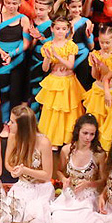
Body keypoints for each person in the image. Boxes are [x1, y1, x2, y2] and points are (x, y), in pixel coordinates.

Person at [34, 15, 86, 149]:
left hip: (68, 81)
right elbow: (45, 68)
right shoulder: (48, 45)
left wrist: (57, 56)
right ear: (52, 29)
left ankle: (68, 139)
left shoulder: (70, 45)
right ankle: (53, 139)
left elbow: (70, 65)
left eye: (63, 29)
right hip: (54, 80)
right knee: (54, 111)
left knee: (68, 111)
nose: (60, 31)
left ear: (68, 30)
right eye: (58, 28)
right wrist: (48, 58)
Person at [48, 114, 105, 223]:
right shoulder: (66, 150)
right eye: (85, 133)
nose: (88, 137)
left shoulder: (99, 154)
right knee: (58, 221)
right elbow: (59, 171)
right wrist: (64, 179)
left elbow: (103, 180)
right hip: (69, 194)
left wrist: (88, 184)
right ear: (78, 131)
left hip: (87, 197)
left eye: (92, 134)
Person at [2, 105, 54, 223]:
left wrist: (25, 170)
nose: (8, 124)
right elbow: (8, 162)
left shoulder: (44, 142)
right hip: (22, 185)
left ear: (22, 126)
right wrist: (13, 171)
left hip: (40, 188)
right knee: (7, 219)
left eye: (12, 122)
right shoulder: (13, 136)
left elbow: (47, 175)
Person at [0, 0, 34, 121]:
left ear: (19, 3)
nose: (11, 6)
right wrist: (2, 53)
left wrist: (11, 54)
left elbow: (26, 43)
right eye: (8, 3)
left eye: (14, 3)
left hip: (17, 59)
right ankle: (5, 122)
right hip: (1, 59)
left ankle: (14, 122)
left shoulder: (23, 19)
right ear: (4, 2)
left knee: (15, 93)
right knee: (3, 92)